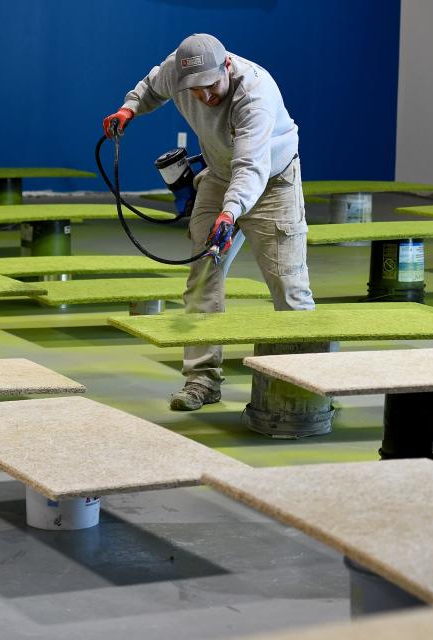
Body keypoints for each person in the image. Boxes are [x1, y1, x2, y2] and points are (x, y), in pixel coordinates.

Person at [104, 33, 314, 411]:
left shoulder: (256, 93)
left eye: (210, 86)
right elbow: (152, 86)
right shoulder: (178, 71)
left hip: (272, 183)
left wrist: (230, 212)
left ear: (227, 68)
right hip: (219, 175)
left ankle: (309, 386)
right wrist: (129, 109)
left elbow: (251, 166)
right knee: (202, 277)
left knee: (290, 288)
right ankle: (201, 380)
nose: (204, 96)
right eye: (194, 91)